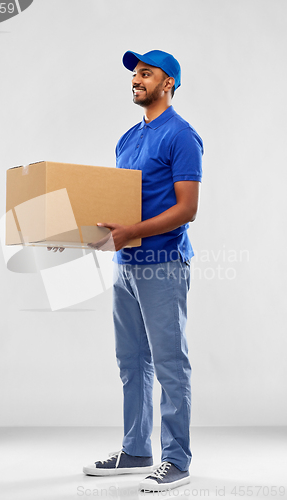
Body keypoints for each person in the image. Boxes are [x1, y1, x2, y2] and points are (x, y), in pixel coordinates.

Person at [83, 50, 203, 493]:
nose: (137, 79)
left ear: (168, 83)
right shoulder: (127, 139)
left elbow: (187, 209)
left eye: (146, 74)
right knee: (132, 362)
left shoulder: (182, 136)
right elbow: (121, 203)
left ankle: (177, 460)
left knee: (170, 364)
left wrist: (133, 229)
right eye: (135, 74)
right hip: (125, 265)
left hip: (163, 266)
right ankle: (136, 449)